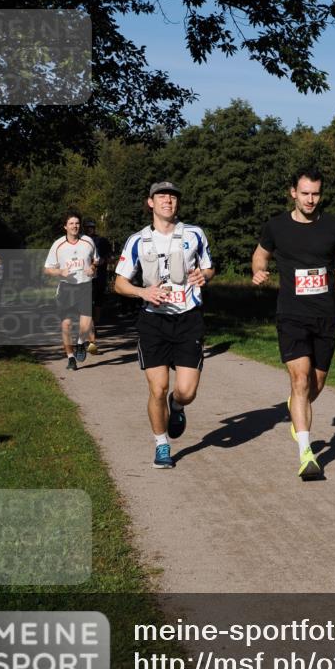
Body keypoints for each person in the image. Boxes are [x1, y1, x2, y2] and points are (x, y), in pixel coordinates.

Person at [252, 168, 335, 479]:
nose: (310, 199)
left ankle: (296, 407)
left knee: (315, 385)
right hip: (291, 314)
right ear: (293, 192)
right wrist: (258, 271)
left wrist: (333, 295)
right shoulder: (276, 226)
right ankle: (306, 455)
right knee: (300, 380)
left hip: (324, 316)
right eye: (305, 193)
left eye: (315, 194)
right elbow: (260, 255)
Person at [113, 181, 214, 469]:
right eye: (161, 196)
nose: (167, 201)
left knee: (187, 391)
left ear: (177, 203)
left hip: (188, 319)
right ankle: (161, 445)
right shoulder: (138, 240)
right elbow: (119, 283)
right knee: (157, 389)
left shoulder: (194, 234)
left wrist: (204, 276)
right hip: (153, 321)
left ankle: (177, 405)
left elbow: (209, 267)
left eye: (172, 197)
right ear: (150, 202)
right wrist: (143, 292)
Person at [44, 210, 96, 371]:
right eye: (71, 223)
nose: (75, 226)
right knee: (66, 325)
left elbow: (96, 260)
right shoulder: (58, 245)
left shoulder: (88, 241)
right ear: (65, 226)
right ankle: (70, 357)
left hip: (85, 285)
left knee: (85, 324)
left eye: (77, 223)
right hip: (66, 288)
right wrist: (60, 271)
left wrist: (92, 268)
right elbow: (47, 269)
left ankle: (80, 343)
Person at [82, 218, 112, 354]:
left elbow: (109, 257)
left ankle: (95, 325)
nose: (90, 229)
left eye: (92, 227)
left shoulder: (102, 241)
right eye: (87, 227)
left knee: (98, 305)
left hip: (100, 277)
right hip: (85, 279)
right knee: (87, 308)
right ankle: (90, 336)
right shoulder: (80, 241)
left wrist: (103, 261)